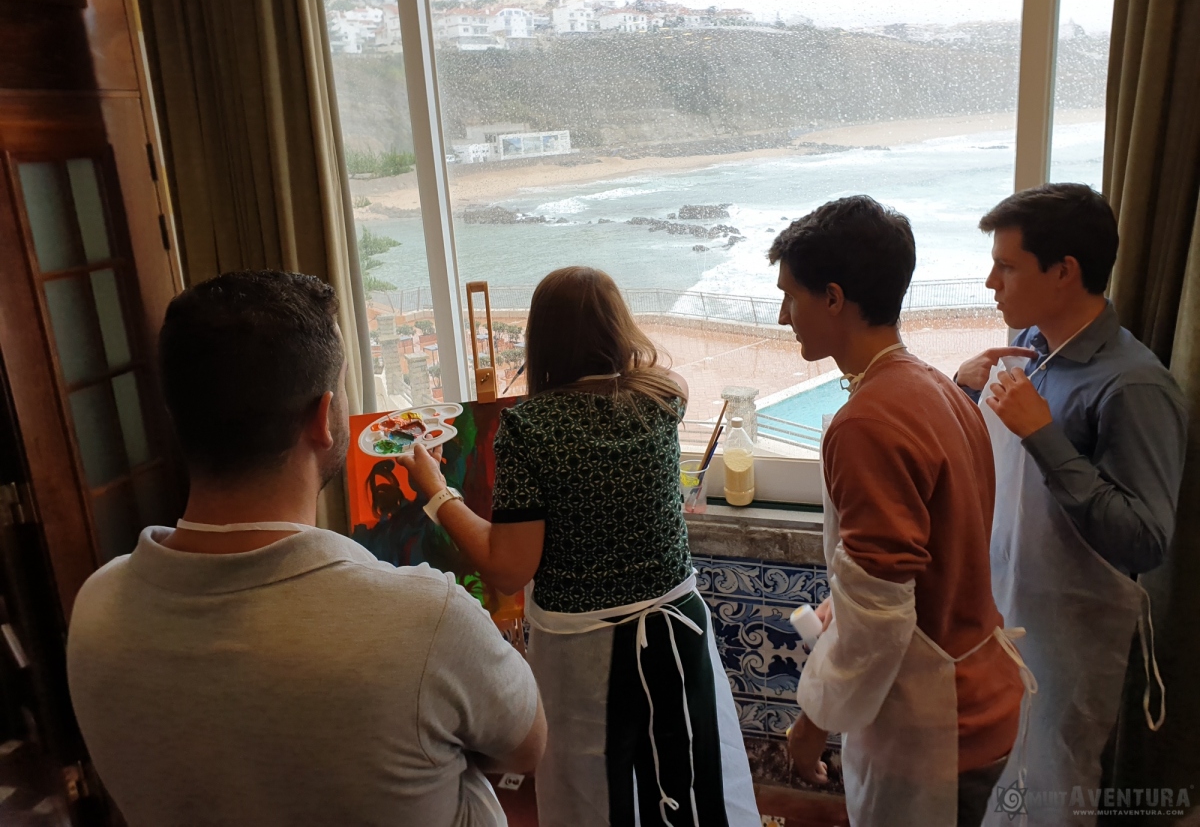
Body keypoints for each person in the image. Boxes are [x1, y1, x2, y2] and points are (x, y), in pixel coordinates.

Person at [67, 271, 545, 827]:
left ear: (178, 415)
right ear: (323, 418)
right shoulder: (426, 620)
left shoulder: (96, 609)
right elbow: (526, 746)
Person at [397, 266, 759, 827]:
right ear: (620, 328)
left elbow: (508, 568)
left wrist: (437, 491)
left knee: (592, 795)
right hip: (677, 627)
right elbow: (646, 369)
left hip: (583, 646)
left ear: (542, 339)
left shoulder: (530, 429)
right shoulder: (664, 397)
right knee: (696, 780)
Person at [773, 197, 1031, 827]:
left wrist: (812, 725)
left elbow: (879, 615)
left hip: (935, 722)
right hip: (979, 690)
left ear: (834, 299)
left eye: (791, 297)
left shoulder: (866, 422)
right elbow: (921, 559)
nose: (783, 317)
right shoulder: (939, 388)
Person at [955, 184, 1186, 826]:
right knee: (998, 788)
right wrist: (963, 390)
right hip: (1005, 617)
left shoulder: (1134, 385)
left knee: (1052, 793)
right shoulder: (1029, 347)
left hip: (1070, 647)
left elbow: (1145, 538)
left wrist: (1043, 434)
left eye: (1006, 266)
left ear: (1064, 272)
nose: (990, 283)